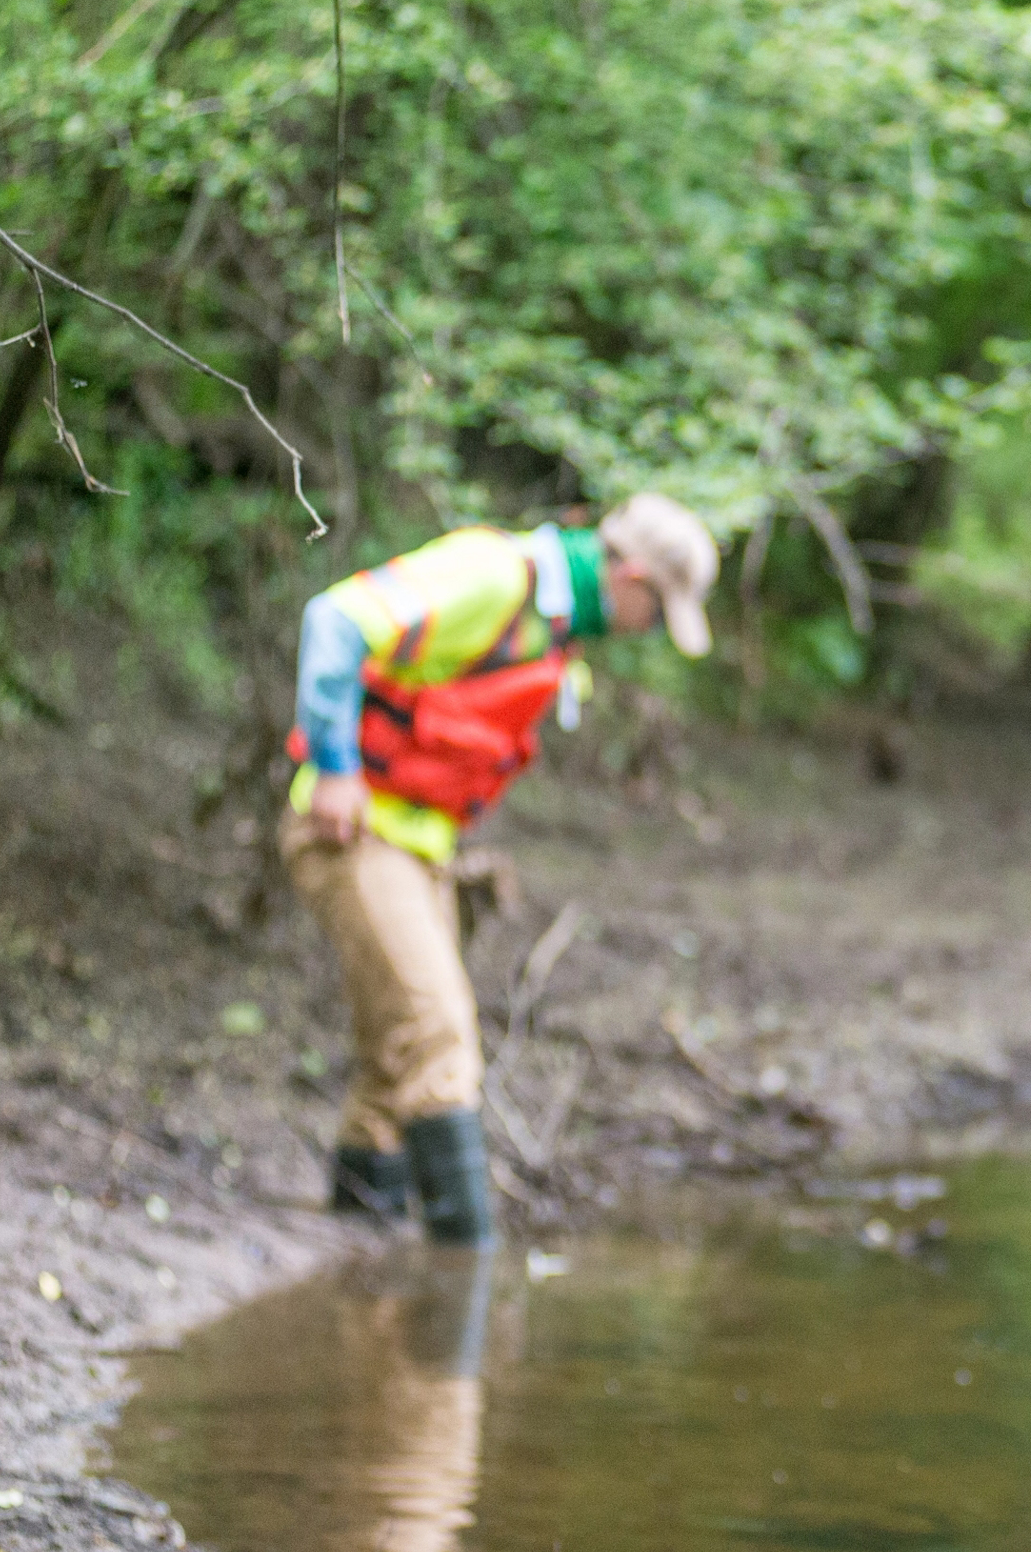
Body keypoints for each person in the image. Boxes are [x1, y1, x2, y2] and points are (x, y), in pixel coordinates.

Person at [283, 496, 719, 1243]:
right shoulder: (492, 571)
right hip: (354, 834)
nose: (648, 628)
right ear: (633, 576)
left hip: (420, 851)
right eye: (658, 609)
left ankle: (360, 1259)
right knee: (441, 1038)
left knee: (396, 1063)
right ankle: (465, 1277)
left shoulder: (556, 634)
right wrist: (334, 767)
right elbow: (334, 618)